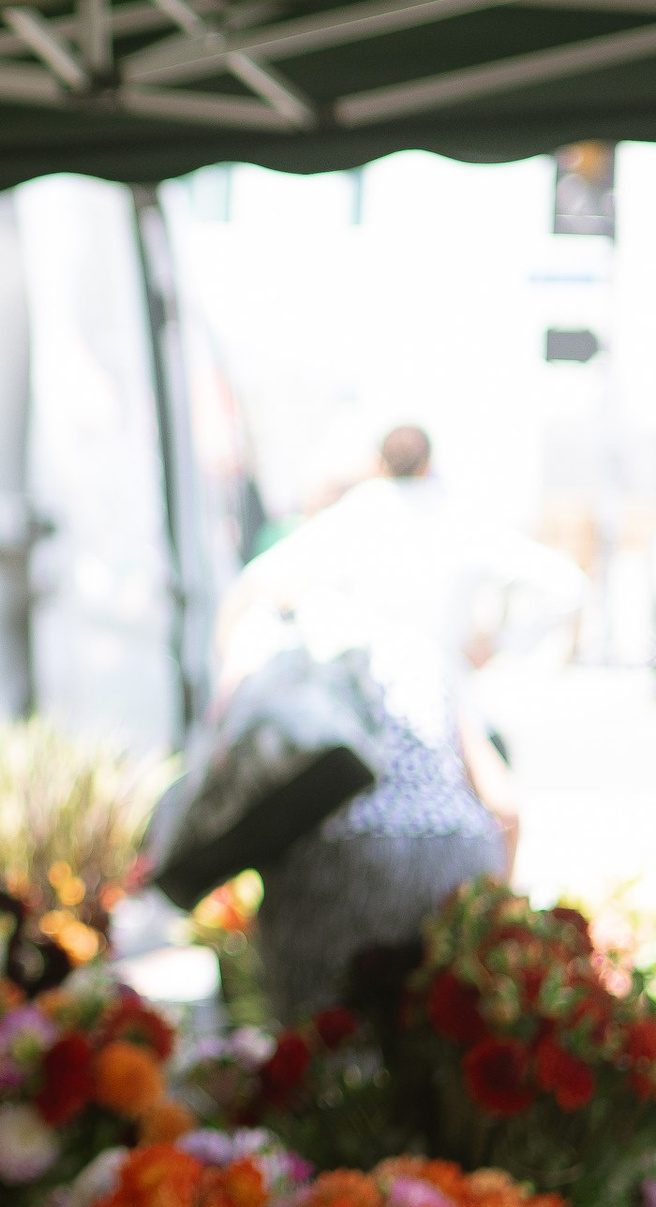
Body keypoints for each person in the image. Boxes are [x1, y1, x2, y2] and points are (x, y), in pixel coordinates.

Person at [212, 421, 580, 1020]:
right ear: (429, 465)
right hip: (444, 758)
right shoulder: (459, 529)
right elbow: (565, 587)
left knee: (316, 1034)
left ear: (380, 465)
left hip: (340, 782)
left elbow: (252, 591)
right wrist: (496, 643)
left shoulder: (344, 533)